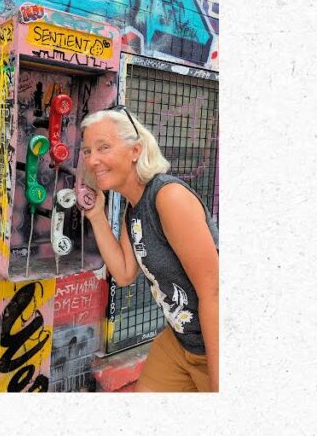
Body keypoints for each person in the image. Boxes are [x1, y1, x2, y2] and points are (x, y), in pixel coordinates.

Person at [79, 107, 219, 392]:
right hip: (179, 341)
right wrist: (96, 215)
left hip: (214, 345)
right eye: (87, 151)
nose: (92, 160)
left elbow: (215, 292)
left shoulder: (168, 197)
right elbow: (124, 273)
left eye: (103, 147)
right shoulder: (133, 209)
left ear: (136, 150)